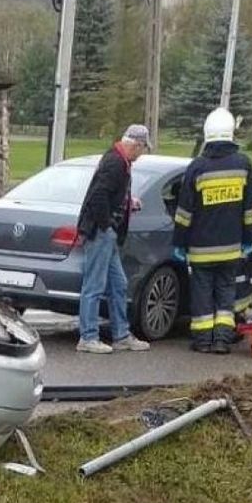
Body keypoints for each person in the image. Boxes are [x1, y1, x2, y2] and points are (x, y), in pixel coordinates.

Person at [173, 107, 252, 354]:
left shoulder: (197, 167)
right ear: (231, 133)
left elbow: (184, 212)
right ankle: (222, 340)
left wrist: (179, 242)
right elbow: (251, 209)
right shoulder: (243, 164)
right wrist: (250, 239)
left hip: (201, 248)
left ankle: (203, 340)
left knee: (202, 293)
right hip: (231, 247)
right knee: (226, 293)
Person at [74, 125, 153, 354]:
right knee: (94, 286)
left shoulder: (119, 161)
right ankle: (88, 337)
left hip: (106, 233)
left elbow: (109, 193)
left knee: (118, 284)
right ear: (135, 145)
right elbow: (98, 195)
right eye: (142, 149)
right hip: (101, 232)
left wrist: (128, 202)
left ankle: (122, 335)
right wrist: (106, 225)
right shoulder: (115, 163)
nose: (141, 154)